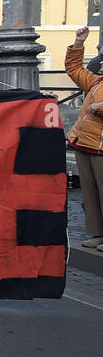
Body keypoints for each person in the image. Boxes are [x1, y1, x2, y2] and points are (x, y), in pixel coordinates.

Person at [65, 26, 103, 249]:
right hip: (85, 144)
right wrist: (78, 43)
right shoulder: (96, 82)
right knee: (91, 193)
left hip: (100, 147)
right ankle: (97, 233)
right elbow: (73, 68)